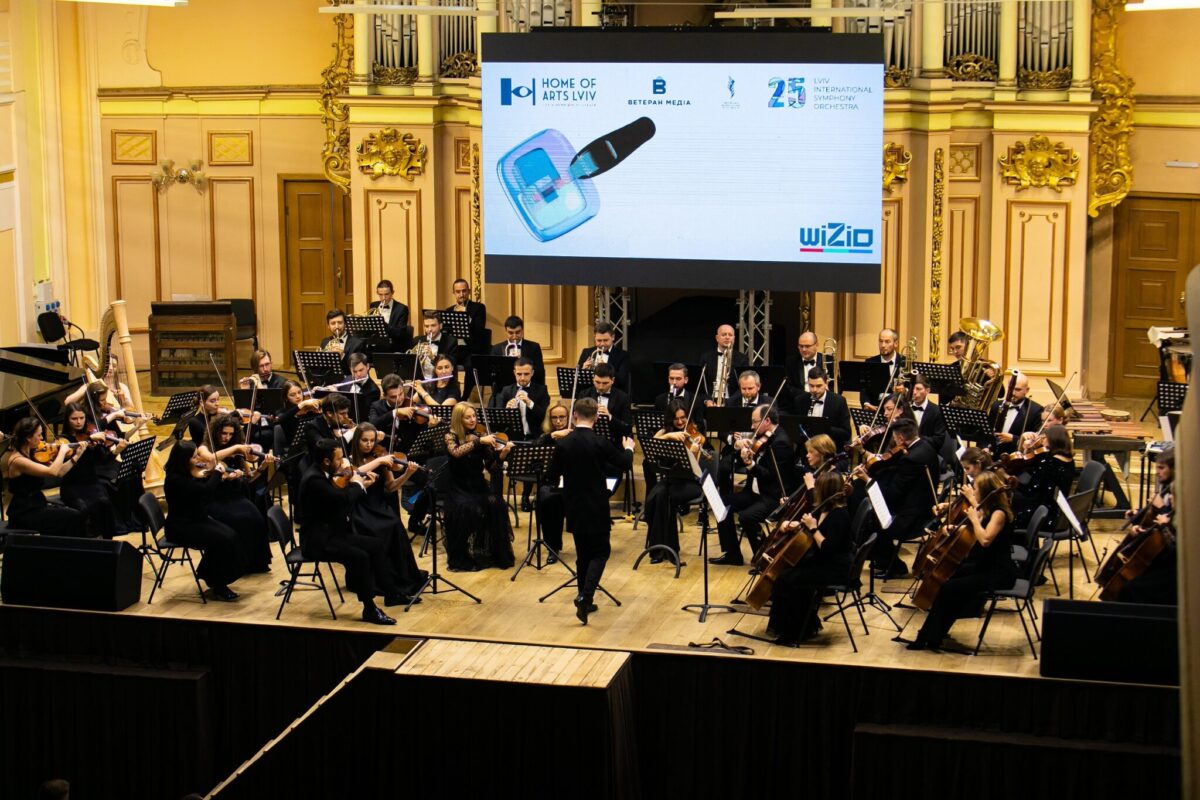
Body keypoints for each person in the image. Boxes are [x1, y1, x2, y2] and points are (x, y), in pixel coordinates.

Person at [906, 470, 1018, 650]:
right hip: (983, 566)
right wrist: (954, 528)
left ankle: (928, 636)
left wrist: (974, 519)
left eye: (975, 488)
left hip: (998, 572)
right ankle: (934, 634)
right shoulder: (987, 509)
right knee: (948, 579)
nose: (973, 491)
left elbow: (985, 539)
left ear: (985, 490)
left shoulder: (999, 514)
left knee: (949, 587)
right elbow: (975, 530)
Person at [546, 398, 636, 624]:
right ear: (596, 417)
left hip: (573, 505)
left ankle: (583, 600)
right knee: (600, 552)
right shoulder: (600, 442)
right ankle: (585, 597)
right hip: (596, 504)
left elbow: (551, 475)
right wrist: (628, 448)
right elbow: (624, 463)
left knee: (582, 555)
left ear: (574, 415)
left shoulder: (564, 443)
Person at [298, 438, 406, 624]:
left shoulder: (324, 473)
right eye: (339, 459)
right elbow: (342, 500)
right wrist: (357, 484)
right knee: (360, 557)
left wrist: (361, 485)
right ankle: (370, 609)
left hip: (333, 534)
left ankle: (391, 593)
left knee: (377, 545)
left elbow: (340, 502)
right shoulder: (314, 480)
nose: (343, 463)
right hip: (318, 541)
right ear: (326, 461)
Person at [766, 471, 854, 644]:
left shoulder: (839, 515)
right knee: (788, 573)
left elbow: (828, 548)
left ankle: (794, 632)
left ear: (825, 492)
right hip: (824, 563)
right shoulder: (825, 508)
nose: (815, 492)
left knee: (786, 579)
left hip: (835, 569)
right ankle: (804, 625)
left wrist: (813, 528)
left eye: (818, 489)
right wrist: (797, 525)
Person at [346, 422, 426, 600]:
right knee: (377, 529)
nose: (369, 444)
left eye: (372, 440)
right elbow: (354, 474)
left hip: (379, 505)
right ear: (356, 441)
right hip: (360, 508)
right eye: (364, 440)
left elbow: (391, 486)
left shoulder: (380, 457)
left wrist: (407, 474)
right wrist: (378, 461)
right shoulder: (349, 461)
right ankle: (378, 579)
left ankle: (397, 575)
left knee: (395, 523)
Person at [710, 404, 797, 566]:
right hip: (754, 492)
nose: (751, 426)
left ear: (767, 421)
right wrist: (740, 449)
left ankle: (763, 558)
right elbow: (744, 460)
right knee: (720, 503)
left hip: (772, 496)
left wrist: (750, 464)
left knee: (746, 517)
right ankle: (732, 554)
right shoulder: (762, 437)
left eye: (754, 422)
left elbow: (769, 476)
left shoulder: (781, 443)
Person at [162, 441, 248, 601]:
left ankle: (207, 572)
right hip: (181, 526)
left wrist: (224, 476)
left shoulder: (186, 473)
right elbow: (205, 490)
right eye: (194, 457)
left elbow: (201, 488)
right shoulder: (175, 479)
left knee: (232, 535)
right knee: (223, 541)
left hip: (197, 519)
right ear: (183, 459)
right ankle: (218, 584)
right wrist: (217, 473)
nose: (198, 460)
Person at [861, 418, 939, 578]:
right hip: (923, 504)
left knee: (874, 520)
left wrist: (869, 480)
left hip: (915, 515)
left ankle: (895, 567)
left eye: (895, 439)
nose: (895, 443)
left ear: (901, 438)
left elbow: (893, 494)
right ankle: (882, 560)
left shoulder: (911, 459)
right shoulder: (924, 446)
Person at [443, 403, 516, 572]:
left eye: (474, 416)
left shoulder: (479, 435)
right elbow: (456, 452)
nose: (472, 420)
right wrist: (479, 441)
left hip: (478, 485)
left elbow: (492, 468)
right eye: (467, 417)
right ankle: (462, 554)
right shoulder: (450, 436)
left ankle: (495, 553)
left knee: (497, 505)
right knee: (470, 509)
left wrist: (502, 455)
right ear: (459, 419)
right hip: (459, 488)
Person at [643, 401, 709, 563]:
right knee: (653, 498)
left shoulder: (695, 435)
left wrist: (692, 452)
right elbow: (651, 446)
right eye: (676, 418)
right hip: (670, 481)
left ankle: (665, 550)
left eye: (683, 418)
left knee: (663, 497)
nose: (680, 422)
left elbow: (694, 471)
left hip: (690, 484)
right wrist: (668, 436)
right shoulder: (665, 431)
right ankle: (664, 549)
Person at [205, 414, 272, 572]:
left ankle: (255, 563)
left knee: (256, 518)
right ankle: (238, 564)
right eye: (224, 433)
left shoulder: (238, 454)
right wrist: (236, 448)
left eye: (231, 434)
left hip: (236, 497)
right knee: (239, 520)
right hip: (216, 499)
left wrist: (263, 466)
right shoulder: (205, 447)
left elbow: (249, 478)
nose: (227, 437)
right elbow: (210, 458)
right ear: (215, 432)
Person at [1, 417, 87, 537]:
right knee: (74, 516)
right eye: (39, 435)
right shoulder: (18, 460)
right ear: (28, 437)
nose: (42, 438)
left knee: (75, 514)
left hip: (37, 505)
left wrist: (76, 456)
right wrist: (62, 451)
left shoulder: (33, 454)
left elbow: (59, 472)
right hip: (24, 512)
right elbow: (52, 472)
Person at [1113, 446, 1176, 604]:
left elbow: (1174, 534)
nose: (1157, 472)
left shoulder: (1178, 492)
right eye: (1157, 467)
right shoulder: (1167, 487)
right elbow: (1158, 521)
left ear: (1174, 469)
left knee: (1130, 589)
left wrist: (1160, 508)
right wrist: (1138, 520)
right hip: (1160, 552)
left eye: (1161, 468)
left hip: (1171, 564)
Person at [58, 402, 125, 539]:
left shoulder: (89, 434)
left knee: (105, 503)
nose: (79, 422)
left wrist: (116, 451)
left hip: (91, 483)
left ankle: (107, 541)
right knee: (84, 509)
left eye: (81, 418)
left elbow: (103, 461)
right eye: (74, 419)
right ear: (67, 420)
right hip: (72, 486)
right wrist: (89, 440)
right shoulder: (63, 440)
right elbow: (70, 455)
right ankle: (88, 541)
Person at [1009, 424, 1075, 529]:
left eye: (1044, 438)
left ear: (1052, 440)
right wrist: (1027, 450)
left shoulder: (1049, 462)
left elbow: (1030, 491)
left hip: (1043, 514)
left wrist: (1011, 480)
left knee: (1008, 507)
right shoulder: (1069, 459)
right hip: (1057, 509)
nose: (1041, 440)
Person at [534, 403, 571, 563]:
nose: (558, 421)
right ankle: (552, 546)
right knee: (546, 499)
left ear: (569, 418)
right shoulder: (546, 437)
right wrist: (553, 436)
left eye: (562, 417)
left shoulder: (575, 434)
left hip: (574, 482)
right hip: (553, 483)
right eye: (554, 418)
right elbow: (534, 448)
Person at [490, 357, 550, 440]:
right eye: (519, 374)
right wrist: (506, 410)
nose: (522, 378)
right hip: (511, 438)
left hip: (535, 438)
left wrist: (530, 403)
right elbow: (498, 420)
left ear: (532, 373)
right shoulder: (506, 391)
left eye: (526, 374)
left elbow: (545, 416)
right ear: (514, 373)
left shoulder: (541, 390)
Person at [794, 367, 851, 450]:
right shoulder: (800, 400)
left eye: (818, 386)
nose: (814, 390)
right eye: (811, 386)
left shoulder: (839, 401)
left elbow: (846, 434)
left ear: (826, 383)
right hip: (806, 449)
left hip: (829, 449)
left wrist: (823, 427)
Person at [991, 372, 1043, 456]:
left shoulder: (1035, 410)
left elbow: (1036, 441)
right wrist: (985, 448)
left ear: (1027, 390)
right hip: (993, 455)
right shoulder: (996, 405)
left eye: (1018, 389)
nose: (1013, 393)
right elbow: (985, 433)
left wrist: (1014, 439)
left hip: (1017, 458)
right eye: (1011, 389)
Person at [701, 323, 749, 405]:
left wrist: (729, 402)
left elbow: (744, 385)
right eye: (724, 335)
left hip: (733, 402)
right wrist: (707, 400)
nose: (727, 337)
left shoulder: (742, 359)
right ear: (717, 338)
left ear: (734, 338)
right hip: (710, 401)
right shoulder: (706, 357)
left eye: (730, 335)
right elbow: (701, 384)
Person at [582, 362, 632, 440]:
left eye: (605, 383)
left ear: (613, 380)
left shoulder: (623, 398)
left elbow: (627, 428)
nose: (601, 387)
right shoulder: (585, 394)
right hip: (589, 440)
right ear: (593, 379)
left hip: (614, 441)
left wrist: (610, 417)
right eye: (597, 382)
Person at [490, 315, 545, 386]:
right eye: (510, 333)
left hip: (528, 387)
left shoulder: (534, 347)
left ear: (522, 330)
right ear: (506, 331)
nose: (514, 336)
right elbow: (493, 375)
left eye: (518, 332)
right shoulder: (496, 349)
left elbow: (540, 372)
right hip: (505, 388)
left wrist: (522, 361)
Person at [785, 331, 835, 408]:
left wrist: (826, 393)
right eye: (801, 346)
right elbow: (788, 387)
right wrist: (807, 397)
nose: (804, 349)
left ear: (816, 345)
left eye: (807, 346)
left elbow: (835, 385)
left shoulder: (829, 360)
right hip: (799, 404)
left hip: (823, 403)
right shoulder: (791, 362)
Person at [578, 321, 630, 392]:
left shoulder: (623, 355)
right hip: (589, 394)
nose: (602, 344)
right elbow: (577, 381)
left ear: (613, 337)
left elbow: (622, 381)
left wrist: (606, 367)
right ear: (594, 338)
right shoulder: (586, 352)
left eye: (605, 340)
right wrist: (583, 370)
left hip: (612, 395)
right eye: (599, 340)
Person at [862, 328, 906, 410]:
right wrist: (866, 403)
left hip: (898, 408)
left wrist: (905, 390)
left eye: (887, 342)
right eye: (880, 341)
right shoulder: (870, 362)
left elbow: (912, 387)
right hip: (875, 407)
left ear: (896, 343)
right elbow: (864, 388)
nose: (883, 345)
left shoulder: (905, 362)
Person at [909, 373, 948, 454]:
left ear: (927, 391)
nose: (914, 392)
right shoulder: (905, 407)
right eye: (913, 388)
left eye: (918, 389)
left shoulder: (937, 411)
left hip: (925, 452)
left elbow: (938, 440)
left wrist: (916, 440)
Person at [447, 277, 488, 354]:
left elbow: (478, 333)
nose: (461, 294)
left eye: (464, 291)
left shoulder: (478, 308)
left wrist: (464, 317)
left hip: (470, 348)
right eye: (458, 292)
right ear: (454, 293)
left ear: (469, 291)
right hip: (452, 349)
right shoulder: (449, 310)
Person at [369, 279, 412, 350]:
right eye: (380, 295)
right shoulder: (373, 305)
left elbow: (400, 333)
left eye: (386, 294)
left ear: (392, 293)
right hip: (375, 344)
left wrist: (382, 323)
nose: (383, 298)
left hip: (392, 346)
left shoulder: (401, 309)